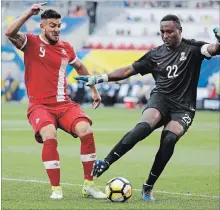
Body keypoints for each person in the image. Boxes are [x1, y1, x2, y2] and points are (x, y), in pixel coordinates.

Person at [75, 15, 220, 201]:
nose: (165, 35)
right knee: (144, 126)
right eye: (162, 32)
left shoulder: (193, 48)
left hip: (183, 107)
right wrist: (99, 78)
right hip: (161, 99)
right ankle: (106, 162)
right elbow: (128, 70)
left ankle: (148, 186)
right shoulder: (155, 54)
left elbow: (214, 49)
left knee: (169, 138)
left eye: (169, 31)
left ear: (179, 31)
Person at [5, 3, 107, 200]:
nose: (57, 29)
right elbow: (9, 32)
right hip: (40, 106)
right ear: (42, 26)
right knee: (49, 134)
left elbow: (81, 67)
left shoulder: (66, 48)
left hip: (64, 104)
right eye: (52, 25)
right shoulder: (31, 42)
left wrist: (94, 90)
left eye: (59, 25)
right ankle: (56, 189)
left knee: (86, 130)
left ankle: (89, 185)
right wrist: (28, 13)